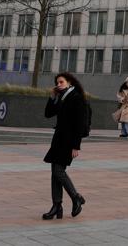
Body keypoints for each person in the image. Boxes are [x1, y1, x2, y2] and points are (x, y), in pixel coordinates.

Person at [41, 71, 89, 220]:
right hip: (58, 140)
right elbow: (48, 114)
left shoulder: (77, 98)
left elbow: (80, 124)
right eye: (57, 82)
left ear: (70, 83)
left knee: (58, 171)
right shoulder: (61, 97)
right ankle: (57, 206)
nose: (58, 85)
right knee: (54, 172)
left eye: (61, 82)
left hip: (68, 142)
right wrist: (52, 97)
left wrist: (76, 146)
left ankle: (76, 198)